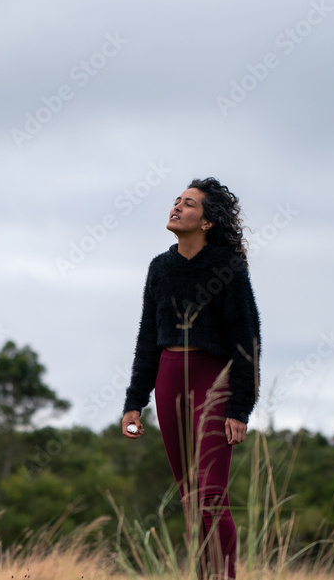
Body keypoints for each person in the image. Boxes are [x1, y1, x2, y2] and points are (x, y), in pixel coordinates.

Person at [121, 176, 261, 580]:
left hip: (211, 381)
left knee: (212, 496)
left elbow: (246, 339)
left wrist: (239, 406)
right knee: (190, 498)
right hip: (168, 381)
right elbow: (148, 338)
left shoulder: (226, 268)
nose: (177, 207)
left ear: (207, 222)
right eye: (176, 201)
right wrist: (135, 402)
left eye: (189, 204)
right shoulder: (160, 268)